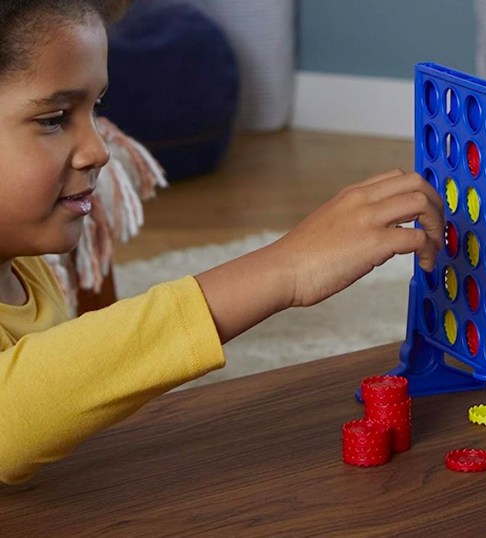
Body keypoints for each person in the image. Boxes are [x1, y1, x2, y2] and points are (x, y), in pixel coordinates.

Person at [0, 0, 444, 484]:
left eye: (96, 108)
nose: (99, 149)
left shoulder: (21, 265)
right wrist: (283, 268)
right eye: (54, 118)